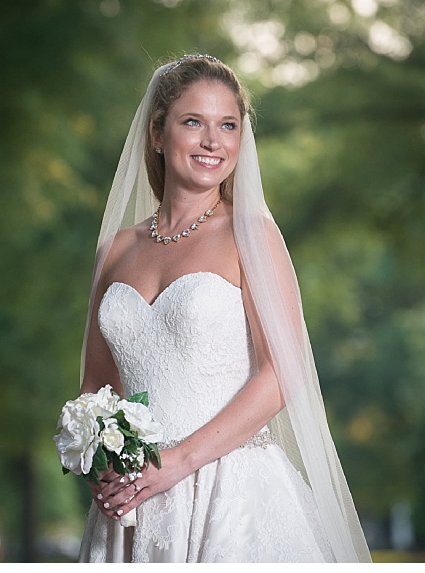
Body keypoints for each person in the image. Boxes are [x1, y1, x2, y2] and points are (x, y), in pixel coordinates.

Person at [74, 54, 371, 561]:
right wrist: (106, 463)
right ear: (158, 133)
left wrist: (178, 461)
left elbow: (282, 373)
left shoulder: (250, 235)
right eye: (194, 122)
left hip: (231, 492)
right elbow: (97, 385)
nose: (214, 141)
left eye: (228, 125)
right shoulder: (116, 250)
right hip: (135, 501)